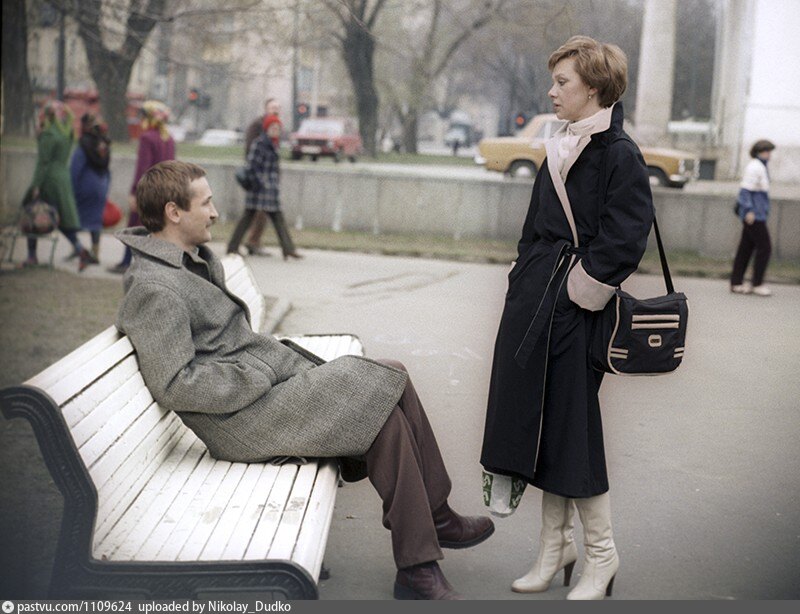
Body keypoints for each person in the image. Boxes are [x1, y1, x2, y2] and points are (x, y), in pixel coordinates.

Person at [115, 160, 494, 600]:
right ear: (174, 212)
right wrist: (258, 372)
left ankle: (425, 545)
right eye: (206, 203)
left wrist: (259, 369)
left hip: (258, 400)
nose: (215, 212)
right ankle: (426, 544)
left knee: (387, 396)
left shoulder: (189, 263)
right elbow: (175, 383)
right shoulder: (155, 288)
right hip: (239, 423)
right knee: (384, 392)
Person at [480, 36, 654, 600]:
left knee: (574, 429)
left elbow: (626, 237)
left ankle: (602, 555)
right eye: (554, 81)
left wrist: (580, 292)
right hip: (534, 302)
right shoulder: (560, 143)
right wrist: (524, 276)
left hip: (576, 309)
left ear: (595, 88)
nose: (552, 92)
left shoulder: (619, 153)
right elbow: (534, 228)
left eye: (563, 82)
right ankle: (555, 549)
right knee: (547, 426)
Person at [25, 100, 97, 271]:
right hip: (63, 178)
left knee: (32, 213)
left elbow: (43, 162)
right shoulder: (67, 132)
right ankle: (81, 250)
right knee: (62, 220)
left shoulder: (48, 134)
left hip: (49, 179)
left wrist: (36, 185)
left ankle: (32, 256)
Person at [108, 100, 175, 274]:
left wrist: (134, 193)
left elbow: (143, 168)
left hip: (147, 190)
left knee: (135, 227)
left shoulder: (147, 138)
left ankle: (126, 263)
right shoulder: (169, 139)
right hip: (164, 190)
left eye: (143, 116)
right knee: (156, 228)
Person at [227, 114, 302, 260]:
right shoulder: (260, 144)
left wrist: (272, 184)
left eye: (278, 128)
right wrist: (263, 183)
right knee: (248, 217)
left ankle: (288, 249)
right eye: (273, 127)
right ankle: (232, 247)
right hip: (259, 190)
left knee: (278, 218)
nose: (275, 130)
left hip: (270, 190)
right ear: (267, 128)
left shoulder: (274, 144)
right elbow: (252, 166)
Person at [730, 139, 776, 296]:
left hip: (757, 213)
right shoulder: (755, 167)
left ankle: (736, 282)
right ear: (758, 152)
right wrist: (749, 211)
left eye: (769, 151)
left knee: (746, 248)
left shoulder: (760, 166)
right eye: (766, 151)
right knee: (765, 248)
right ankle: (757, 283)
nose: (769, 154)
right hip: (754, 215)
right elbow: (745, 191)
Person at [241, 97, 280, 256]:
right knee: (254, 213)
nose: (275, 110)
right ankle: (250, 242)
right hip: (258, 178)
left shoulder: (275, 126)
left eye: (277, 108)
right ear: (266, 109)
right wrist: (257, 177)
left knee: (260, 214)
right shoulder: (258, 126)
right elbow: (251, 152)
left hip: (268, 179)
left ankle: (253, 241)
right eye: (272, 107)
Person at [70, 113, 111, 263]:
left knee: (72, 217)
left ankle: (77, 248)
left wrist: (71, 189)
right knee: (95, 221)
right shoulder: (104, 144)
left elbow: (75, 169)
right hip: (101, 185)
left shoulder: (83, 144)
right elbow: (107, 168)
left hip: (84, 186)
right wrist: (105, 188)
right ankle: (95, 252)